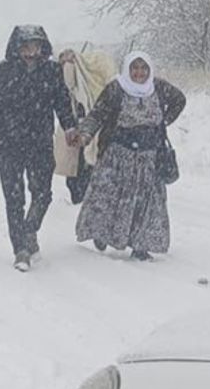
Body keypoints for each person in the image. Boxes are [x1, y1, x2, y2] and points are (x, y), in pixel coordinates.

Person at [0, 25, 79, 272]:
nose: (31, 51)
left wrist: (69, 127)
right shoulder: (0, 71)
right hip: (9, 146)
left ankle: (30, 229)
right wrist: (2, 125)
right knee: (14, 199)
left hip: (40, 143)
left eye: (35, 45)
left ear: (43, 46)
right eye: (25, 45)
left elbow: (62, 103)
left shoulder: (52, 72)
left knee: (43, 193)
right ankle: (20, 249)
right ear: (16, 47)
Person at [74, 52, 185, 261]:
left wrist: (164, 121)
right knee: (108, 198)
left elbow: (180, 100)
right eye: (135, 68)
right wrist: (85, 134)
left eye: (144, 68)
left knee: (147, 204)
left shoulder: (158, 87)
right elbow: (97, 114)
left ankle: (140, 244)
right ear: (127, 69)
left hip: (149, 157)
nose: (140, 73)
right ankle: (101, 233)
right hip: (118, 155)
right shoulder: (116, 89)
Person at [54, 48, 114, 204]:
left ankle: (86, 200)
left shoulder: (90, 81)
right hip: (74, 127)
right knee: (77, 169)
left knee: (88, 165)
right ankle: (79, 199)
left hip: (90, 127)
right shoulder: (67, 84)